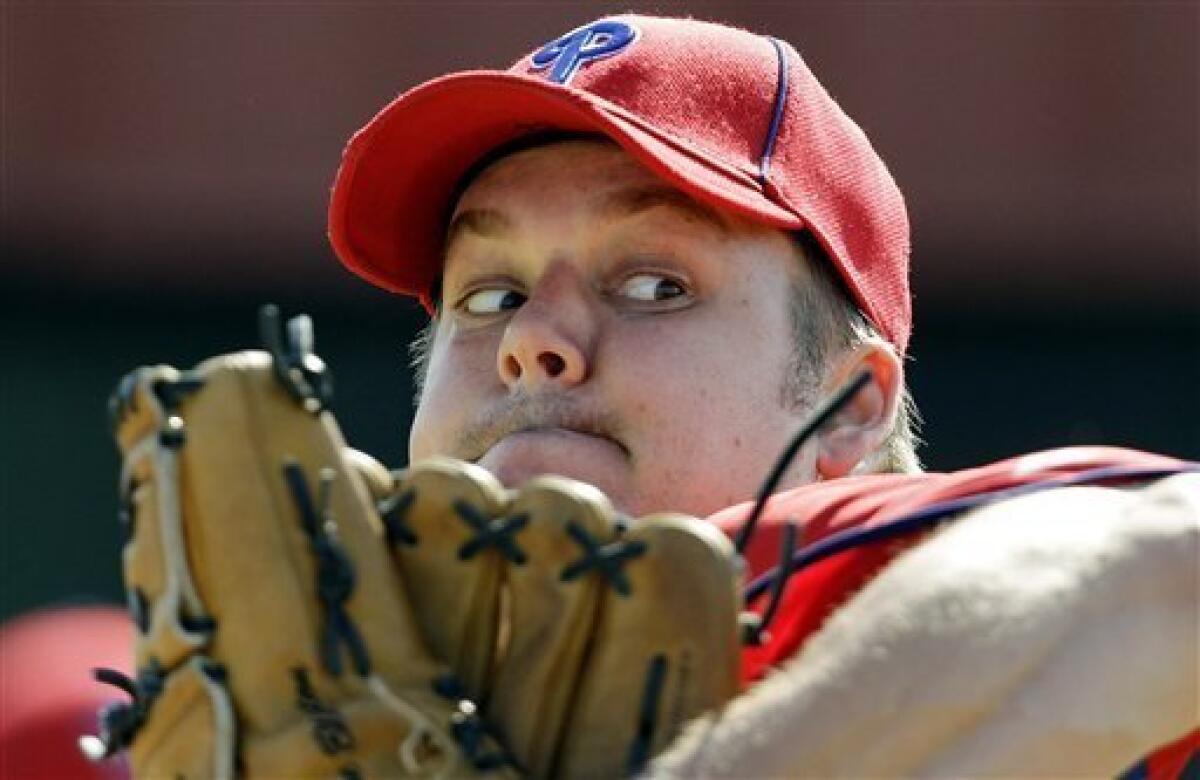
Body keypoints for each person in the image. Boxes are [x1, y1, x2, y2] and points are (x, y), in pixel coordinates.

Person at [324, 13, 1199, 777]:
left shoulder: (843, 576)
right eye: (489, 298)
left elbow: (1172, 553)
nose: (530, 341)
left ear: (849, 407)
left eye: (654, 285)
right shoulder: (312, 688)